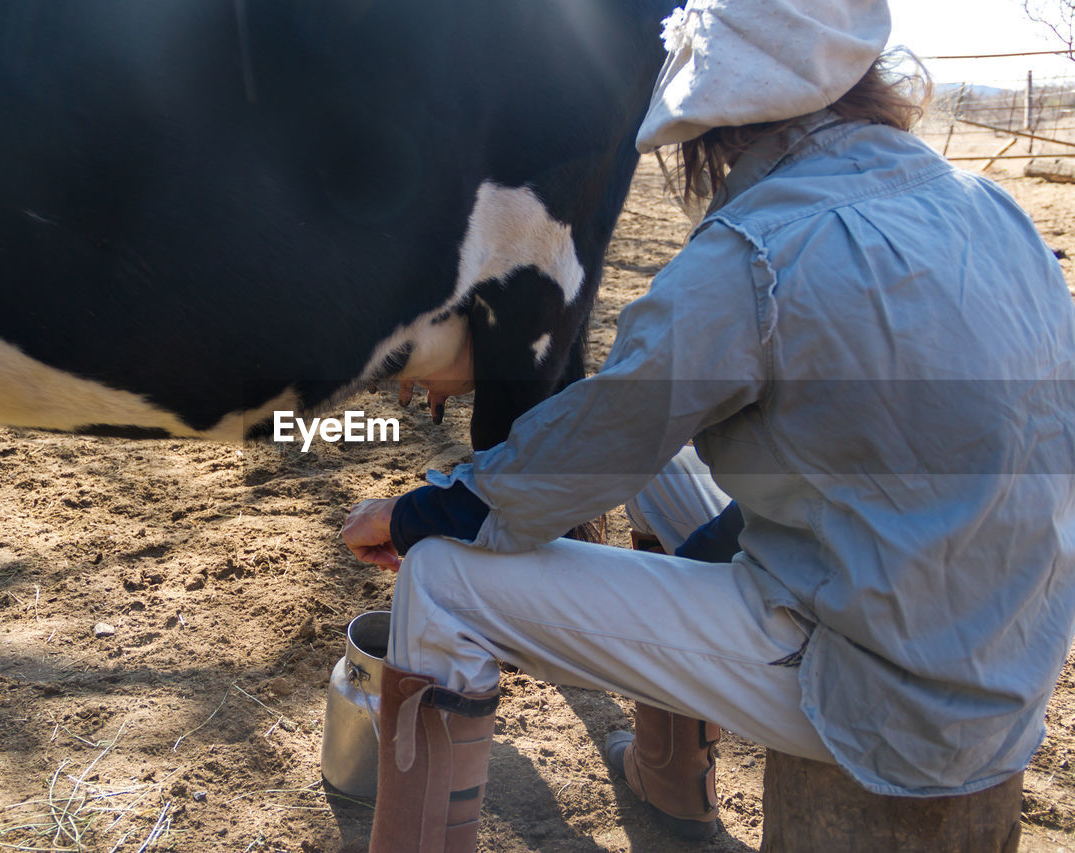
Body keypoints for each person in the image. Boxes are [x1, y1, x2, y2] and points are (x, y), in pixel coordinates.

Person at [341, 1, 1075, 850]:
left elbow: (592, 449)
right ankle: (669, 781)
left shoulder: (752, 249)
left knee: (441, 579)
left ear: (718, 127)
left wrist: (423, 510)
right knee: (664, 462)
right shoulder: (995, 212)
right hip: (1006, 657)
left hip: (879, 686)